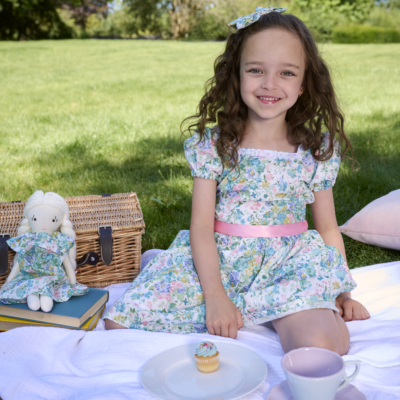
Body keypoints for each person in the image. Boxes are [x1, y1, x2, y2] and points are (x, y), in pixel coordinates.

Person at [104, 7, 370, 355]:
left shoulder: (314, 150)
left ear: (304, 84)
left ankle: (299, 312)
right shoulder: (215, 145)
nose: (269, 84)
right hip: (221, 259)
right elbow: (200, 225)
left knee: (323, 346)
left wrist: (342, 292)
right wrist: (215, 298)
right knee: (118, 321)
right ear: (237, 74)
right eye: (256, 70)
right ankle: (231, 298)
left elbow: (328, 229)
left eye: (287, 73)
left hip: (286, 265)